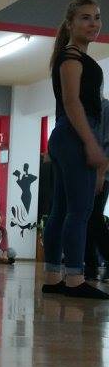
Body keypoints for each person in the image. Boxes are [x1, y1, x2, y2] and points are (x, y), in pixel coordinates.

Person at [42, 0, 109, 298]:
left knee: (61, 210)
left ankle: (53, 277)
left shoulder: (75, 57)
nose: (93, 23)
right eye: (85, 18)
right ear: (70, 24)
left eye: (97, 17)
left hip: (66, 136)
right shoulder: (71, 57)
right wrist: (91, 143)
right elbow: (72, 103)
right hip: (73, 135)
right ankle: (74, 279)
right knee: (79, 211)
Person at [84, 98, 109, 281]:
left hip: (102, 174)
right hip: (87, 173)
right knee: (86, 219)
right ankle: (90, 268)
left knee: (94, 218)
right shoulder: (85, 107)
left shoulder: (106, 108)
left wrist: (100, 174)